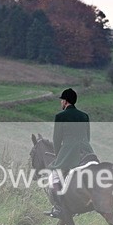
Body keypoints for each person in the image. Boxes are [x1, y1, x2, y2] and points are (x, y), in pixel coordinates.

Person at [45, 88, 96, 217]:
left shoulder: (60, 116)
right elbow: (87, 137)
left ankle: (59, 207)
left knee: (54, 177)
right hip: (87, 152)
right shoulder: (84, 116)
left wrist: (58, 157)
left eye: (61, 100)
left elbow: (57, 140)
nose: (61, 103)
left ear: (65, 101)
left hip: (69, 153)